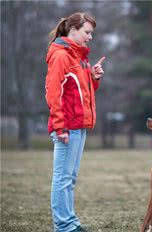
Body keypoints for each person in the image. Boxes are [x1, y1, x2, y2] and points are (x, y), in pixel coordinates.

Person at [45, 12, 105, 232]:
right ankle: (64, 226)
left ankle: (70, 222)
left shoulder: (79, 57)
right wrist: (60, 126)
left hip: (79, 126)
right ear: (73, 30)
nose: (90, 37)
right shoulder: (61, 56)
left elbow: (78, 92)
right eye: (87, 32)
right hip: (67, 127)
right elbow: (53, 93)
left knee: (70, 178)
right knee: (62, 179)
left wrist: (93, 78)